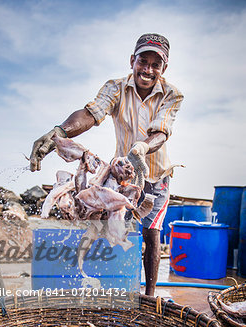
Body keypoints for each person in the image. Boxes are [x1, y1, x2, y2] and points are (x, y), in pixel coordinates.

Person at [29, 33, 184, 296]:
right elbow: (91, 114)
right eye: (142, 61)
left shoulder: (172, 94)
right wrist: (61, 132)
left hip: (156, 175)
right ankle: (108, 284)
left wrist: (142, 148)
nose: (147, 70)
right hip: (121, 176)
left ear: (164, 68)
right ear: (132, 60)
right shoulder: (115, 87)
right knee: (111, 226)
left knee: (152, 232)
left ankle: (149, 294)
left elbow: (161, 131)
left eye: (155, 64)